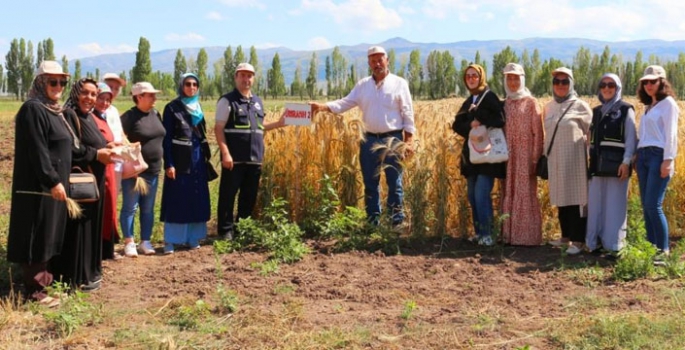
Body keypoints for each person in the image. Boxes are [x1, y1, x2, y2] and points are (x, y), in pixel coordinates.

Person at [309, 46, 416, 229]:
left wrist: (409, 141)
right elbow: (345, 102)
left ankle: (396, 223)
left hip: (394, 139)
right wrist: (322, 106)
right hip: (368, 140)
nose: (377, 64)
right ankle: (373, 222)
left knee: (395, 182)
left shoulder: (400, 83)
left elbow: (408, 114)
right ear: (369, 63)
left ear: (387, 60)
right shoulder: (362, 85)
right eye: (373, 61)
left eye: (380, 60)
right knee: (370, 183)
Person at [7, 61, 71, 305]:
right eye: (52, 81)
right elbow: (38, 150)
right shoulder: (33, 109)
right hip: (39, 187)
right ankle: (34, 292)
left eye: (62, 82)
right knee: (36, 235)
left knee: (47, 234)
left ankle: (45, 284)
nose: (58, 86)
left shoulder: (53, 109)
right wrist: (52, 180)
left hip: (53, 187)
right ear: (40, 83)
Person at [51, 78, 115, 291]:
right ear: (76, 93)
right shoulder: (70, 115)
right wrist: (98, 153)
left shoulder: (89, 117)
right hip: (80, 182)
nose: (90, 98)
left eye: (93, 94)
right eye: (85, 93)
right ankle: (76, 277)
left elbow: (92, 142)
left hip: (94, 181)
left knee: (90, 228)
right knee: (79, 229)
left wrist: (109, 146)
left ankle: (89, 273)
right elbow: (73, 149)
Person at [215, 63, 286, 239]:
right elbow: (218, 129)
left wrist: (279, 123)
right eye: (243, 75)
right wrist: (225, 153)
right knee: (228, 196)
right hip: (234, 159)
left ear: (253, 79)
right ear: (236, 77)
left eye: (249, 76)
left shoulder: (258, 102)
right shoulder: (227, 100)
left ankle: (243, 229)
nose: (246, 79)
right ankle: (225, 231)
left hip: (255, 159)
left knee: (249, 197)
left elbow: (260, 127)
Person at [451, 64, 506, 246]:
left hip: (488, 155)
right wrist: (471, 125)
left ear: (481, 77)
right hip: (472, 156)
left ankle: (488, 234)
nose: (472, 79)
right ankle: (479, 233)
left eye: (475, 75)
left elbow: (499, 119)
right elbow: (457, 125)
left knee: (482, 194)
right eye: (468, 76)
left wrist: (479, 116)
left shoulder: (489, 96)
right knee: (472, 195)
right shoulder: (469, 100)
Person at [586, 74, 637, 256]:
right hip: (597, 166)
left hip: (617, 166)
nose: (607, 88)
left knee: (615, 206)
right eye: (603, 85)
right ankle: (595, 243)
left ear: (618, 88)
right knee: (596, 205)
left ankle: (614, 246)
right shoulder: (596, 111)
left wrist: (626, 162)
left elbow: (631, 139)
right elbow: (591, 140)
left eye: (611, 85)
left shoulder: (625, 110)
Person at [160, 73, 211, 253]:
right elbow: (166, 139)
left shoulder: (198, 107)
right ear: (181, 86)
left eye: (195, 84)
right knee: (177, 198)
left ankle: (192, 238)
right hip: (180, 159)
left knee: (196, 197)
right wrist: (169, 163)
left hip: (197, 159)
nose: (191, 87)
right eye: (188, 84)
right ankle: (171, 240)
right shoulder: (172, 108)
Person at [544, 67, 592, 255]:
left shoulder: (580, 106)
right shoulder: (549, 107)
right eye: (557, 82)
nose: (560, 85)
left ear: (571, 84)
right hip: (555, 159)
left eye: (565, 82)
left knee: (577, 199)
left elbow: (590, 133)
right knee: (561, 197)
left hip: (575, 160)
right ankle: (565, 236)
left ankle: (578, 240)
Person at [635, 65, 680, 261]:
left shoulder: (668, 103)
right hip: (643, 156)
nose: (649, 85)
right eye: (645, 82)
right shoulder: (648, 106)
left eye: (653, 81)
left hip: (658, 156)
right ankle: (650, 247)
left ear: (662, 82)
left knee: (654, 205)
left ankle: (663, 250)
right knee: (646, 204)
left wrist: (668, 160)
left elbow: (671, 134)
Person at [120, 82, 166, 256]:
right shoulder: (129, 117)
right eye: (150, 95)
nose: (154, 98)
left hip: (153, 170)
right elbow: (120, 137)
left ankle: (145, 241)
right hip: (135, 172)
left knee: (148, 208)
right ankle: (129, 241)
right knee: (130, 207)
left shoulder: (155, 113)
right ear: (139, 97)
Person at [500, 63, 544, 246]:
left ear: (522, 79)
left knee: (525, 193)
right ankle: (508, 235)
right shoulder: (505, 104)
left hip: (525, 157)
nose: (512, 82)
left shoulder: (531, 102)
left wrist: (535, 157)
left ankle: (526, 237)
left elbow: (538, 132)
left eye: (516, 78)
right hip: (508, 157)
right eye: (509, 78)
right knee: (508, 191)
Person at [92, 83, 123, 260]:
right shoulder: (90, 118)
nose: (104, 103)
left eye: (107, 100)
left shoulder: (103, 117)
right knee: (102, 209)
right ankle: (101, 249)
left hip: (109, 168)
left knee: (110, 207)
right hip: (98, 169)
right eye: (101, 98)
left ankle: (107, 248)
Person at [102, 73, 127, 191]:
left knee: (113, 195)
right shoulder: (94, 110)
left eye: (116, 88)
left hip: (118, 161)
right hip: (104, 160)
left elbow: (120, 133)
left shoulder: (114, 110)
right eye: (110, 87)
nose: (113, 91)